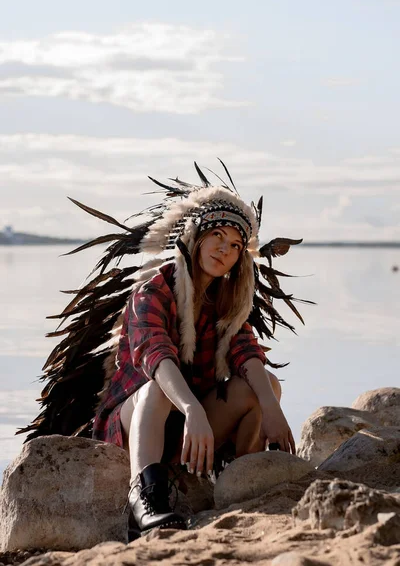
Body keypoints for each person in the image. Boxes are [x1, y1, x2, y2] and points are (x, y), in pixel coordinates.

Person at [20, 163, 306, 537]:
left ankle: (240, 479)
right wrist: (191, 409)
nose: (225, 248)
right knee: (156, 389)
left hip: (190, 431)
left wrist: (271, 408)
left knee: (263, 383)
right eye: (217, 235)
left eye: (236, 245)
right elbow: (156, 358)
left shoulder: (226, 303)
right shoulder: (153, 291)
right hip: (137, 420)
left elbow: (245, 352)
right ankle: (147, 496)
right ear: (194, 237)